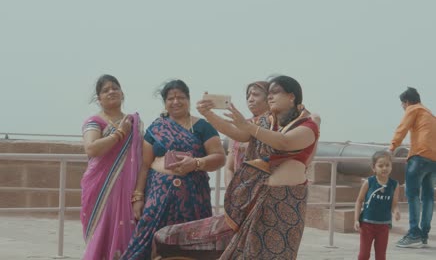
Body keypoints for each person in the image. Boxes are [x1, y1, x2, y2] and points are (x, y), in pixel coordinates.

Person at [153, 75, 320, 259]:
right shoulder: (265, 122)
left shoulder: (307, 125)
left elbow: (284, 142)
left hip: (286, 205)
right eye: (269, 93)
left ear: (292, 96)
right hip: (256, 199)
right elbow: (236, 133)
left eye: (275, 92)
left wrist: (248, 127)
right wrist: (209, 114)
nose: (270, 97)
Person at [121, 79, 226, 260]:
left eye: (181, 97)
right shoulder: (156, 128)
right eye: (171, 98)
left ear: (189, 99)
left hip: (194, 196)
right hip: (158, 194)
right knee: (146, 238)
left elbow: (219, 157)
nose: (176, 102)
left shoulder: (202, 127)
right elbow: (145, 165)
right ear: (165, 102)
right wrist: (138, 197)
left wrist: (196, 163)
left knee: (192, 242)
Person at [80, 74, 143, 260]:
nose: (111, 92)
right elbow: (91, 149)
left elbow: (142, 158)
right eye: (105, 90)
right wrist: (119, 134)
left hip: (129, 189)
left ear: (122, 93)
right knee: (101, 234)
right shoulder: (95, 121)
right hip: (101, 189)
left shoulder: (134, 122)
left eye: (115, 88)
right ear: (99, 99)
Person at [389, 87, 436, 248]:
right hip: (433, 160)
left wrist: (391, 148)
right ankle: (424, 235)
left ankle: (414, 232)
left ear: (406, 102)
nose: (403, 107)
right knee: (429, 197)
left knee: (413, 195)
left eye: (402, 104)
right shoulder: (429, 114)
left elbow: (402, 128)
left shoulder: (413, 109)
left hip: (419, 157)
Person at [354, 150, 401, 260]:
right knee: (364, 255)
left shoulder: (394, 185)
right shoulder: (369, 182)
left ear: (391, 167)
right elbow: (359, 201)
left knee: (381, 255)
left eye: (387, 165)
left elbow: (394, 204)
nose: (384, 168)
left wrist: (396, 212)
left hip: (383, 226)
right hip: (367, 225)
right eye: (380, 165)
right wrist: (356, 219)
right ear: (374, 168)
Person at [224, 81, 270, 187]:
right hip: (239, 191)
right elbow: (229, 167)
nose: (250, 99)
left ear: (269, 98)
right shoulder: (239, 126)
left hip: (265, 190)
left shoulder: (276, 125)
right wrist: (230, 191)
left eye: (256, 95)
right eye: (248, 95)